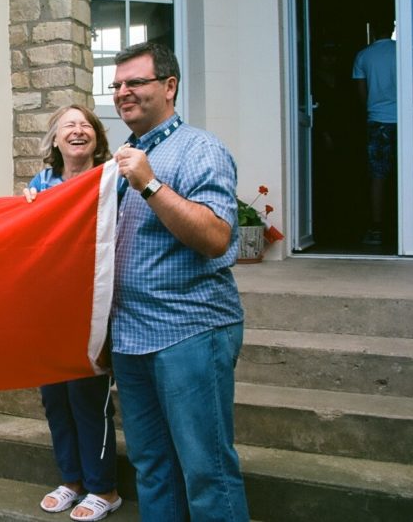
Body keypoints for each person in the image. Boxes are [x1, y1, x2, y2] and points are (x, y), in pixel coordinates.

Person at [109, 42, 249, 522]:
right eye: (117, 85)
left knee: (206, 468)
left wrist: (149, 184)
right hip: (130, 336)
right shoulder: (124, 157)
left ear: (169, 86)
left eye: (135, 82)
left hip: (189, 331)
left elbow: (215, 237)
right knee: (152, 467)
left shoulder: (199, 149)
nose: (123, 92)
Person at [24, 104, 123, 522]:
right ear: (55, 139)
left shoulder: (113, 179)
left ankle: (105, 488)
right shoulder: (40, 183)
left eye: (86, 125)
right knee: (54, 399)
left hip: (93, 307)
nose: (78, 131)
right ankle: (71, 480)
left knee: (88, 399)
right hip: (50, 308)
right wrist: (24, 207)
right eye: (69, 126)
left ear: (98, 137)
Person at [352, 18, 397, 246]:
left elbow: (362, 92)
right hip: (407, 120)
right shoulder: (402, 51)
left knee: (378, 176)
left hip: (377, 120)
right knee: (410, 173)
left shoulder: (363, 55)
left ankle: (377, 229)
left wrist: (369, 112)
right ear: (392, 27)